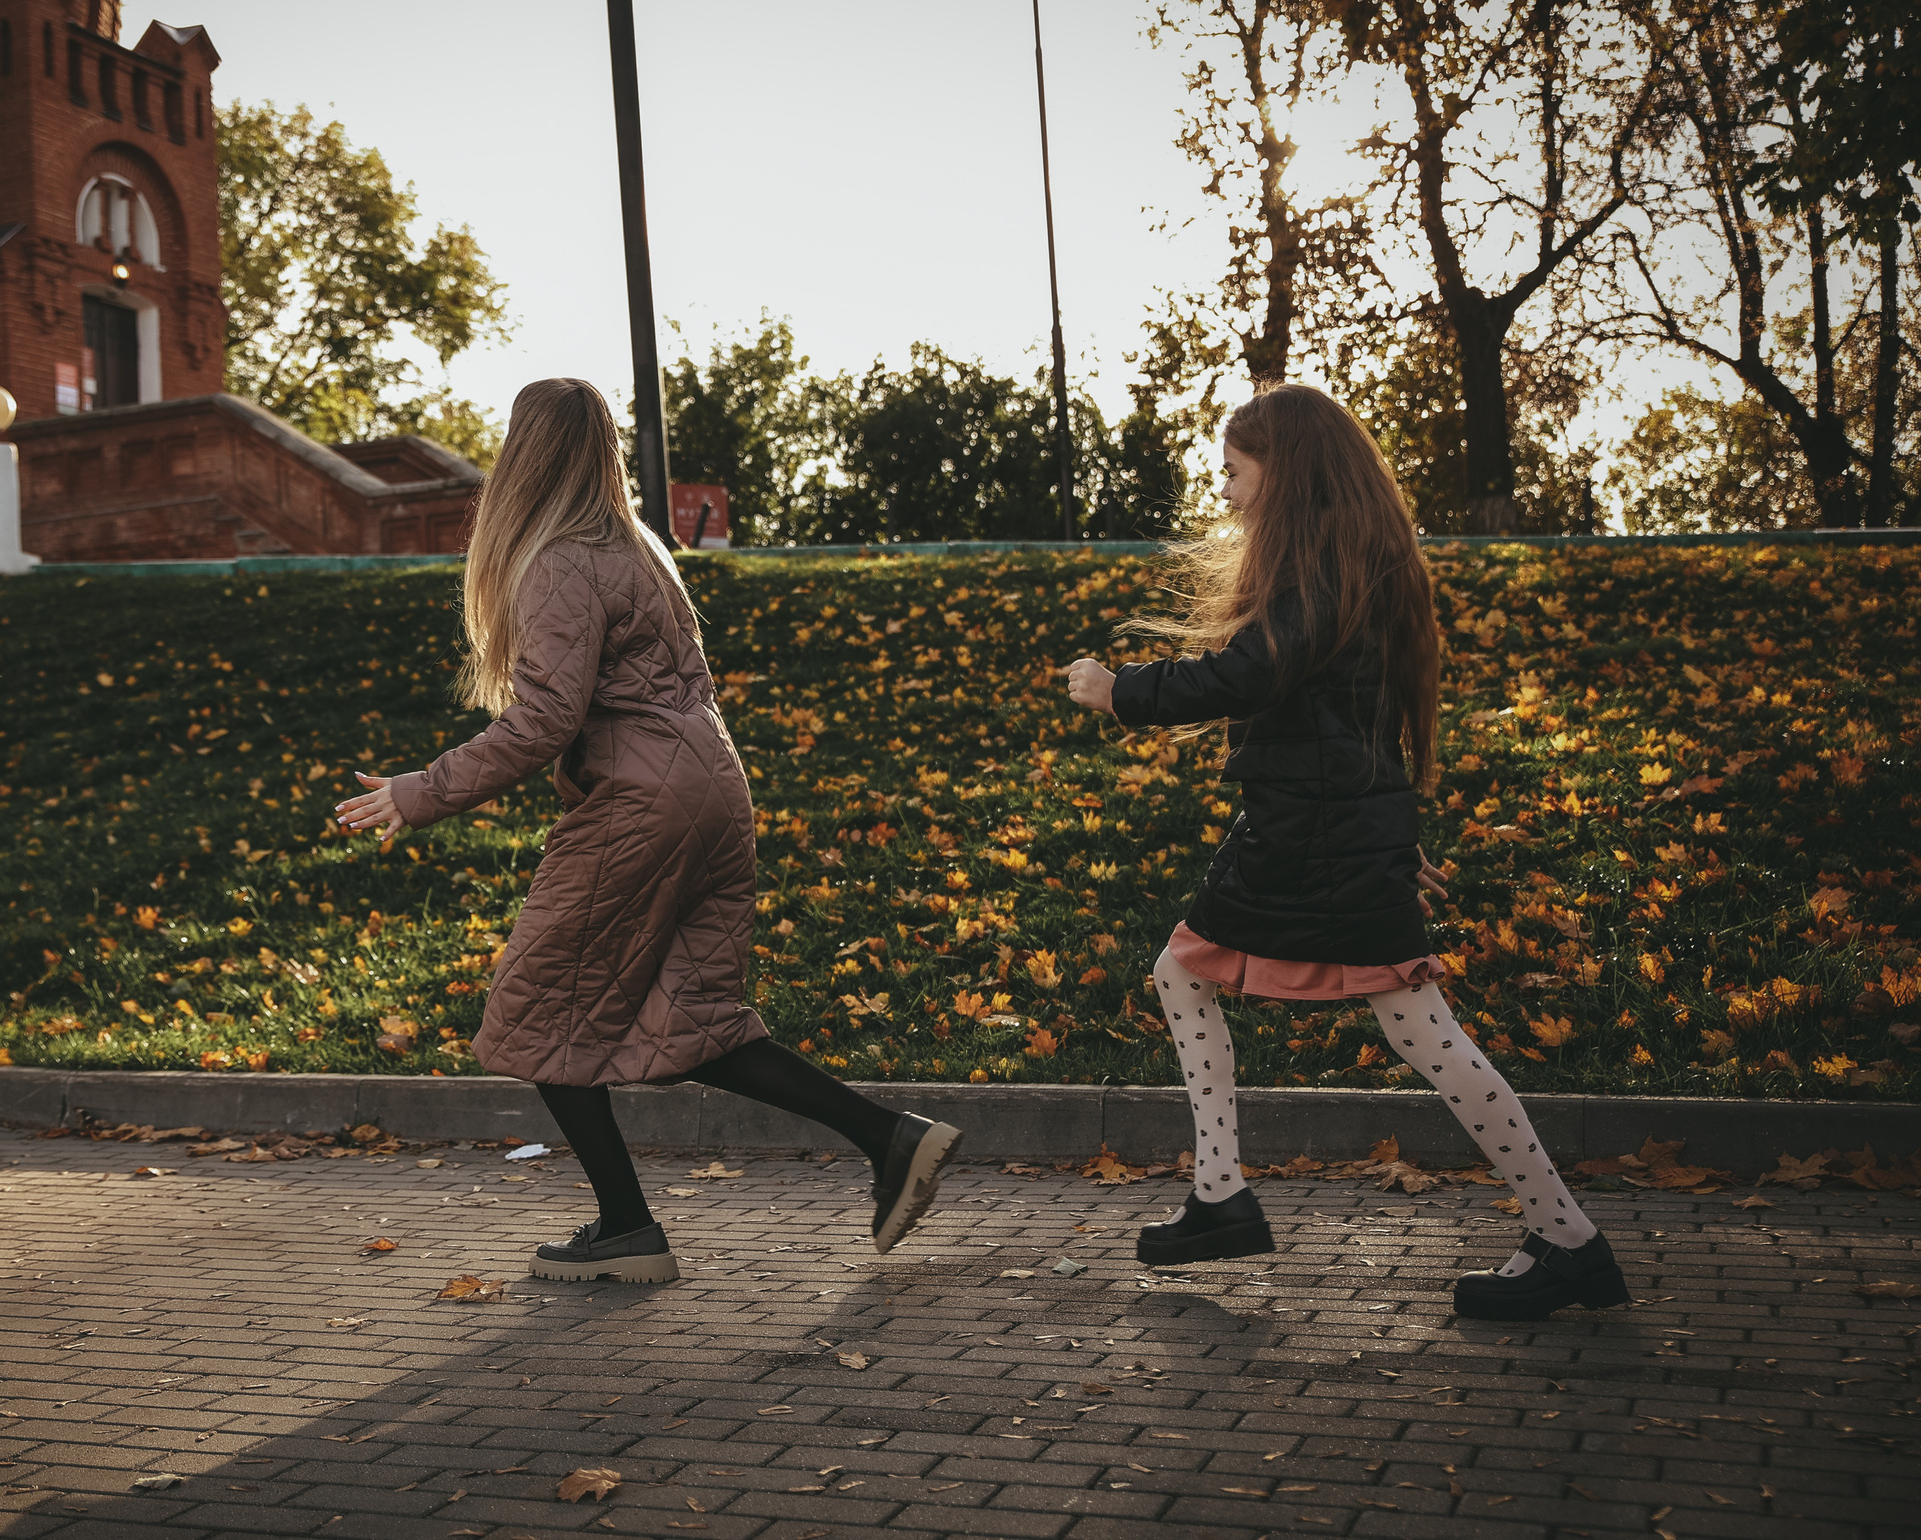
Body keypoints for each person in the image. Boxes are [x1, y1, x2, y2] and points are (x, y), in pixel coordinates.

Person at [336, 377, 963, 1284]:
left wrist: (420, 790)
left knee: (533, 1007)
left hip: (642, 804)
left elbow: (544, 720)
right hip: (711, 788)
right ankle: (889, 1136)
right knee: (693, 1021)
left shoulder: (556, 561)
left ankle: (628, 1226)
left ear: (525, 455)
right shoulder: (641, 549)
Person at [1063, 384, 1626, 1323]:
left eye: (1236, 471)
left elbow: (1251, 671)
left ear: (1283, 470)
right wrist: (1393, 837)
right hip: (1316, 833)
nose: (1227, 489)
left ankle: (1560, 1236)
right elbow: (1352, 722)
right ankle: (1224, 1194)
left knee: (1408, 1028)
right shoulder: (1346, 560)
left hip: (1309, 840)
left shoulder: (1323, 572)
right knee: (1220, 981)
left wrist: (1120, 690)